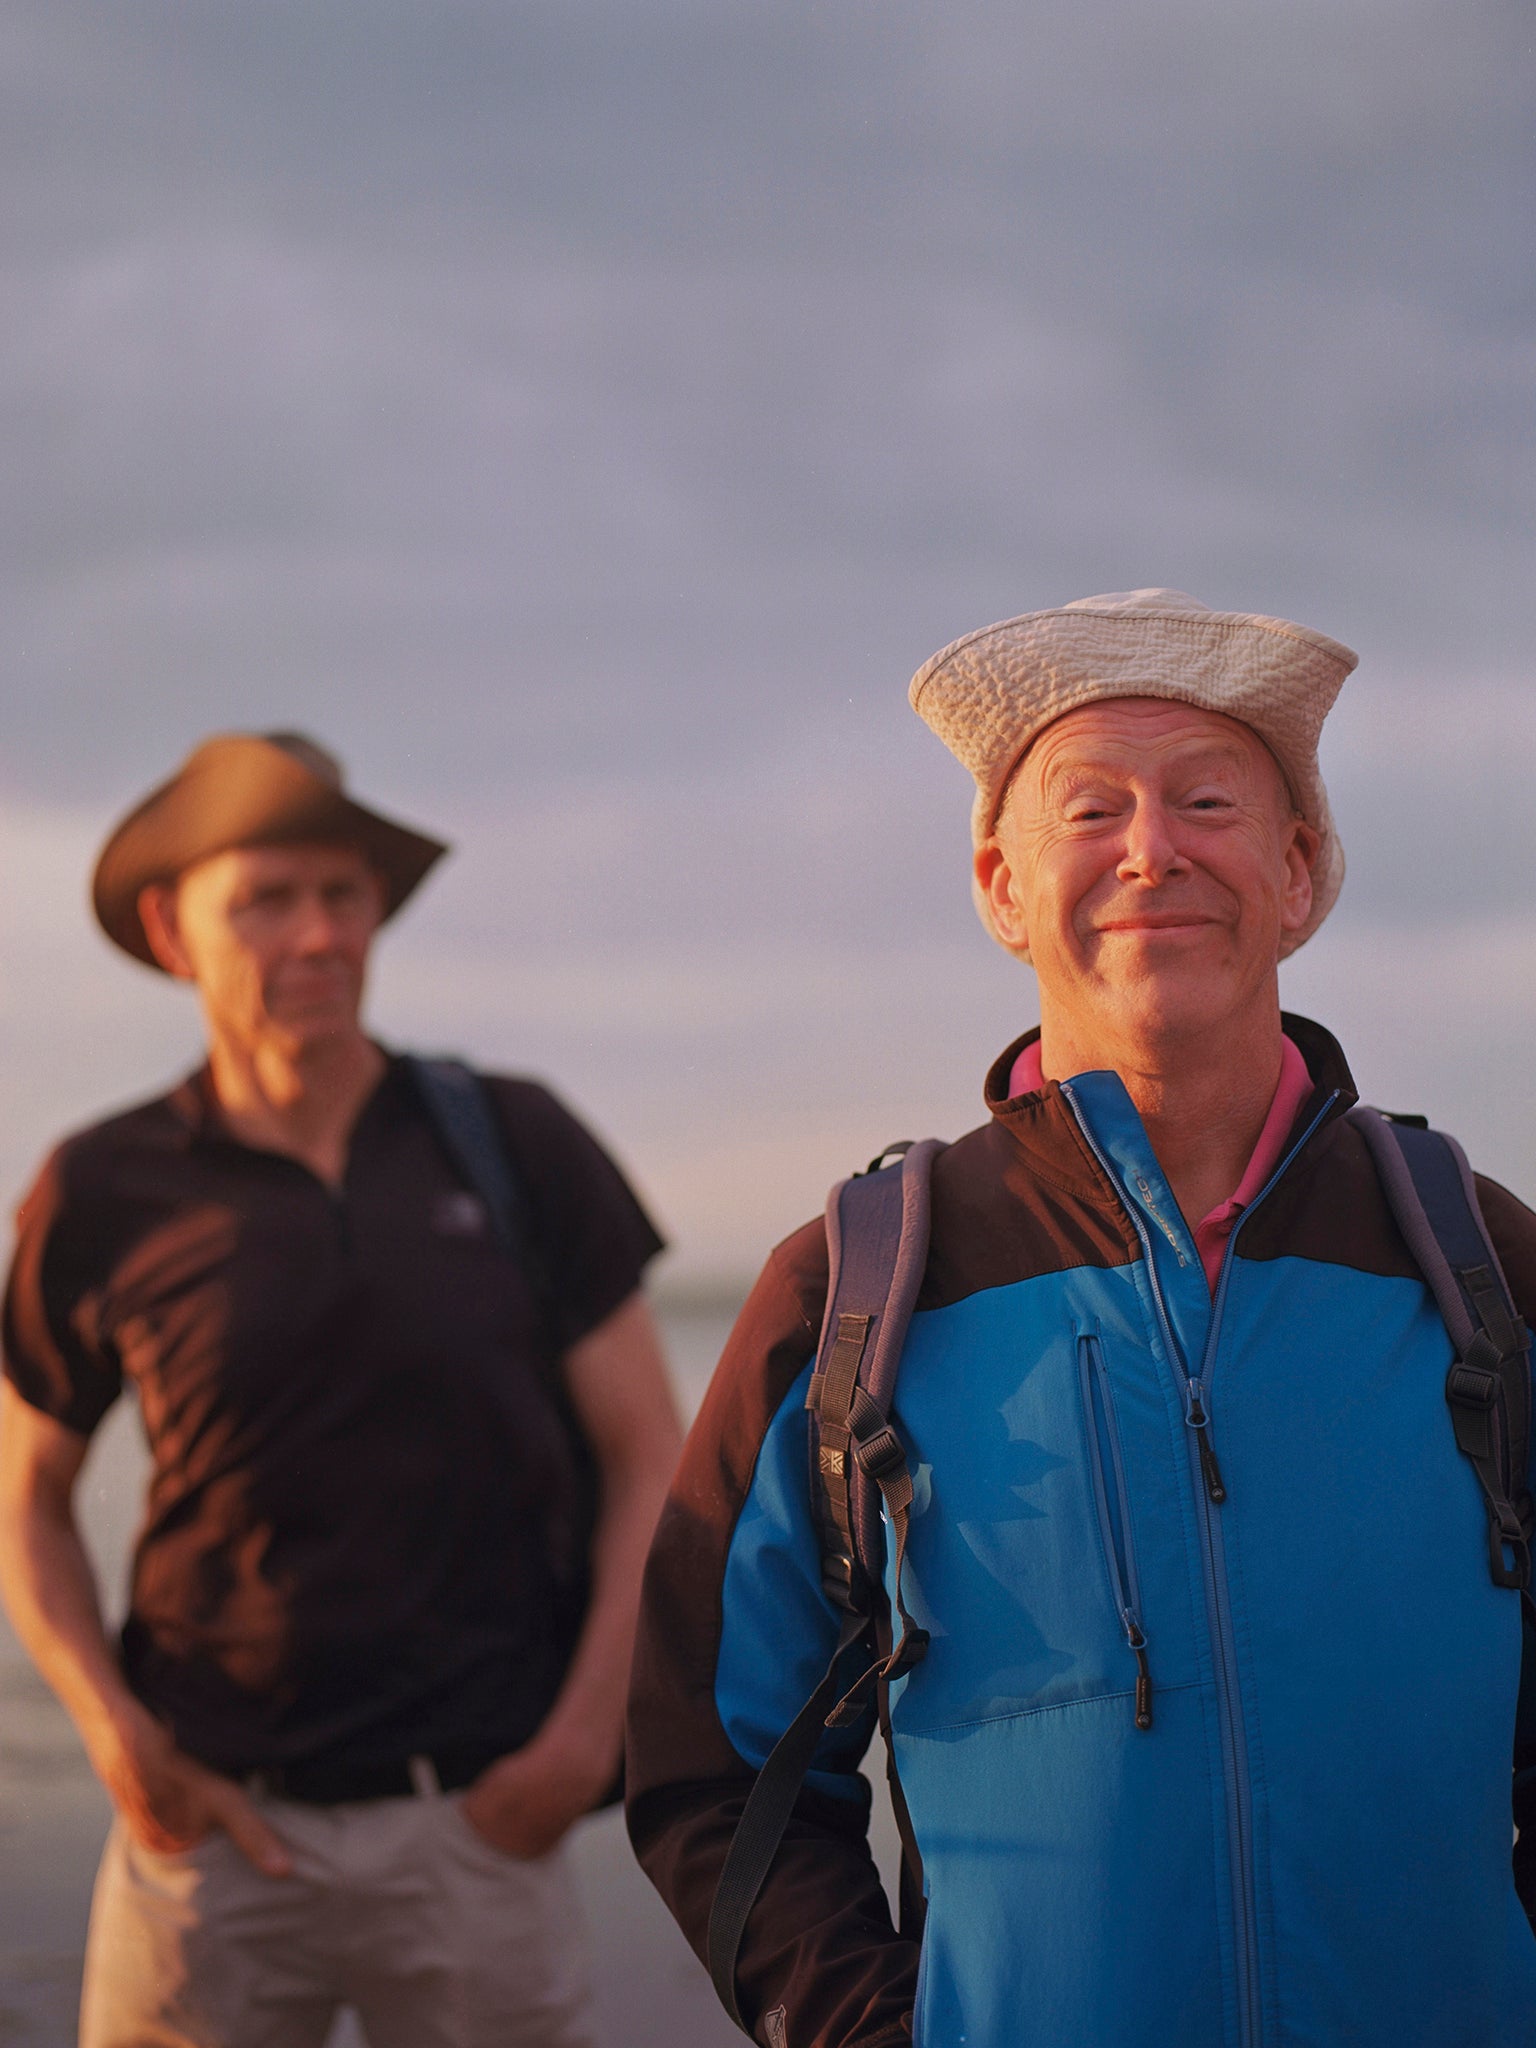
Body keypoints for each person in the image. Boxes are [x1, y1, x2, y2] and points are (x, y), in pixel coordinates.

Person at [624, 590, 1536, 2047]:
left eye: (1209, 799)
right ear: (1000, 887)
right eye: (1091, 807)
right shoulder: (859, 1289)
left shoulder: (1477, 1260)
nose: (1153, 848)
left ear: (1299, 873)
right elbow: (714, 1766)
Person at [0, 730, 683, 2048]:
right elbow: (27, 1499)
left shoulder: (513, 1140)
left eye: (343, 896)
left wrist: (579, 1750)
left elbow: (650, 1459)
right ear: (173, 927)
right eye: (267, 898)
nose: (317, 935)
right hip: (207, 1841)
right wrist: (118, 1739)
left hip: (481, 1830)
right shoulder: (100, 1188)